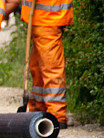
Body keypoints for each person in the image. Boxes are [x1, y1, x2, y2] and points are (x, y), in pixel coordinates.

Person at [22, 0, 72, 128]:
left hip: (48, 17)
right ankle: (39, 108)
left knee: (51, 67)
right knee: (37, 67)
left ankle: (56, 115)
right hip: (42, 17)